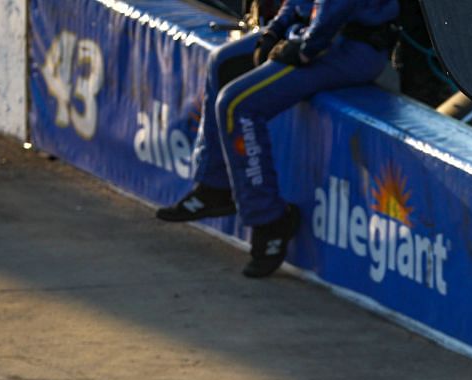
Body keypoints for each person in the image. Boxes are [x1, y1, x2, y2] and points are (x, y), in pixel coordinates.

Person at [156, 0, 401, 277]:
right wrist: (273, 33)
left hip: (347, 47)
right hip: (311, 33)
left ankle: (270, 221)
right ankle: (216, 187)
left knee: (237, 105)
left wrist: (304, 49)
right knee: (224, 62)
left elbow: (333, 9)